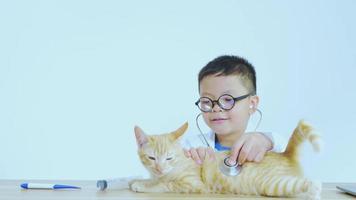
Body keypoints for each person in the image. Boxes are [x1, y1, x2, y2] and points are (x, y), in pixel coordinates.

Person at [183, 55, 287, 166]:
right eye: (206, 101)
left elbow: (288, 150)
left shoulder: (269, 146)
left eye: (228, 99)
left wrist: (269, 140)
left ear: (252, 104)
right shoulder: (190, 147)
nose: (216, 108)